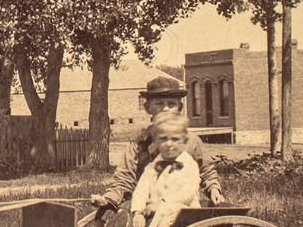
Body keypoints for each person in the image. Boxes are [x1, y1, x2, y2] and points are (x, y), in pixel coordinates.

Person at [92, 71, 223, 212]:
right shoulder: (139, 143)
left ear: (180, 108)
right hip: (147, 204)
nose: (165, 109)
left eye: (171, 104)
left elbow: (206, 171)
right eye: (160, 104)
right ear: (148, 108)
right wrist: (111, 197)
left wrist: (214, 189)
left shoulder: (191, 141)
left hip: (182, 204)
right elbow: (124, 177)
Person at [128, 112, 201, 227]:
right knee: (136, 216)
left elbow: (187, 193)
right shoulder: (152, 167)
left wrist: (161, 203)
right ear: (156, 141)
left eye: (175, 139)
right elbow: (140, 191)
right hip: (154, 215)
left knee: (173, 209)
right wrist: (138, 212)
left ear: (184, 141)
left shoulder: (190, 165)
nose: (169, 144)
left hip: (184, 216)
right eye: (163, 139)